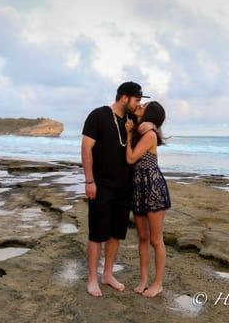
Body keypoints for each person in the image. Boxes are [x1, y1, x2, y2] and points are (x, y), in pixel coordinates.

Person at [81, 81, 149, 297]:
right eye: (137, 99)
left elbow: (149, 136)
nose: (139, 103)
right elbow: (86, 148)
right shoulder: (98, 116)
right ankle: (92, 278)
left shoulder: (131, 121)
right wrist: (89, 180)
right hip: (101, 185)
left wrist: (139, 116)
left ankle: (107, 274)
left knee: (116, 233)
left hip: (124, 187)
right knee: (97, 233)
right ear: (124, 98)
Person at [124, 101, 170, 298]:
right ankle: (143, 279)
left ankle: (157, 283)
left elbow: (131, 158)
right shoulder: (140, 129)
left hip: (152, 187)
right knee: (142, 237)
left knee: (155, 239)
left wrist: (128, 135)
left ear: (149, 113)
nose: (140, 105)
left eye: (144, 105)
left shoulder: (149, 134)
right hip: (138, 187)